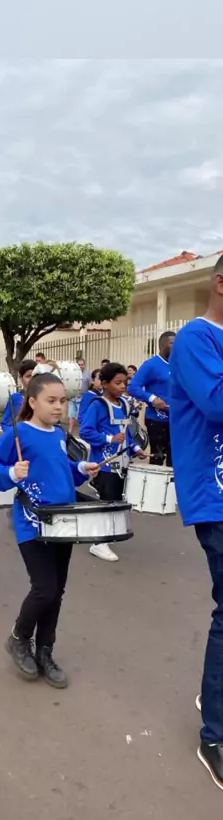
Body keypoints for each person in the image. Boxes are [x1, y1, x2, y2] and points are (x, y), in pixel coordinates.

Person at [0, 373, 98, 686]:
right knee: (44, 588)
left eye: (63, 401)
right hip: (32, 523)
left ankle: (45, 651)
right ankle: (19, 638)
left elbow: (60, 470)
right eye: (51, 400)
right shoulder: (19, 434)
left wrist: (80, 468)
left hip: (64, 522)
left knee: (57, 591)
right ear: (32, 401)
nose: (59, 407)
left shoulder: (58, 434)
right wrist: (11, 472)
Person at [170, 255, 223, 789]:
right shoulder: (196, 338)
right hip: (216, 496)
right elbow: (217, 403)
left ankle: (215, 696)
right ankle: (215, 735)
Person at [80, 362, 147, 562]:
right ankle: (98, 543)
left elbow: (126, 433)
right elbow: (86, 432)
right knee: (107, 502)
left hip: (122, 462)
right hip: (105, 463)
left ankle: (105, 535)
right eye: (117, 383)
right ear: (105, 384)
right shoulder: (98, 405)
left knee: (116, 500)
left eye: (124, 382)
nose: (122, 386)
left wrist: (135, 448)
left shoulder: (124, 404)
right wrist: (109, 439)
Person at [128, 332, 175, 466]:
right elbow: (133, 387)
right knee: (158, 457)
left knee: (175, 457)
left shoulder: (179, 365)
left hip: (176, 419)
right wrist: (153, 399)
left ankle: (173, 480)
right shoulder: (151, 365)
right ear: (162, 346)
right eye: (172, 343)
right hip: (156, 420)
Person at [1, 360, 36, 431]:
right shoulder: (15, 398)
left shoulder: (42, 398)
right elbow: (5, 424)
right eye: (28, 376)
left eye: (34, 376)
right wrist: (14, 434)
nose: (32, 379)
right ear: (20, 378)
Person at [68, 356, 93, 434]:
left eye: (82, 364)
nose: (80, 366)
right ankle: (70, 432)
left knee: (81, 417)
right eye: (79, 364)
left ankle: (83, 432)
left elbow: (91, 385)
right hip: (73, 397)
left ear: (84, 365)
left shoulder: (88, 374)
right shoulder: (73, 373)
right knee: (71, 415)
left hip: (83, 398)